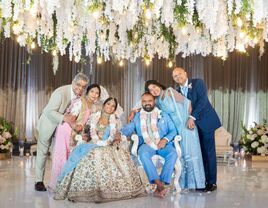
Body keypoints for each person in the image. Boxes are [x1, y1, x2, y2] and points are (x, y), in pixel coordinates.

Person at [54, 98, 146, 202]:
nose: (110, 107)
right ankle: (83, 189)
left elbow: (115, 135)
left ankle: (108, 190)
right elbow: (89, 133)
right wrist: (86, 137)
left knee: (104, 155)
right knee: (87, 154)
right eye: (108, 104)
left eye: (113, 106)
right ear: (103, 105)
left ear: (114, 109)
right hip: (93, 144)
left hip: (108, 146)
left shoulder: (115, 121)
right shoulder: (94, 117)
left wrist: (115, 138)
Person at [145, 80, 205, 191]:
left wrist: (191, 119)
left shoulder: (169, 92)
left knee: (191, 153)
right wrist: (134, 111)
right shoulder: (157, 101)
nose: (154, 90)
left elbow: (188, 103)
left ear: (158, 84)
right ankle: (185, 184)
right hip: (175, 130)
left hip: (185, 125)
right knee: (181, 155)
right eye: (151, 90)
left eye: (154, 87)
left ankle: (197, 183)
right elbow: (144, 103)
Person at [35, 73, 89, 191]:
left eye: (83, 87)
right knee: (43, 152)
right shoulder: (60, 92)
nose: (80, 89)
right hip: (48, 125)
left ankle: (61, 180)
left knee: (58, 154)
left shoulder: (80, 97)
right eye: (78, 85)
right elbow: (49, 111)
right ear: (73, 82)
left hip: (62, 129)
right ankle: (38, 181)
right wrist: (65, 118)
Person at [118, 92, 177, 198]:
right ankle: (160, 185)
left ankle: (161, 183)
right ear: (141, 103)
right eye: (144, 101)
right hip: (146, 144)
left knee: (172, 153)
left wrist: (165, 139)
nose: (147, 103)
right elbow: (129, 127)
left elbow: (173, 130)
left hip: (162, 144)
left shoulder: (163, 114)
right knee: (143, 153)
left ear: (154, 101)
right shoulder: (137, 116)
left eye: (149, 101)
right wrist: (120, 133)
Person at [172, 67, 221, 192]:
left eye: (180, 74)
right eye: (175, 76)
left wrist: (191, 117)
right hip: (191, 128)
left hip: (205, 122)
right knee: (198, 154)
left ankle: (211, 182)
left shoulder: (198, 83)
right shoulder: (177, 92)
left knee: (208, 152)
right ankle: (201, 181)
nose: (178, 77)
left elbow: (202, 101)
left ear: (185, 73)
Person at [48, 84, 102, 191]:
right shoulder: (80, 102)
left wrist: (85, 133)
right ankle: (57, 184)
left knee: (72, 157)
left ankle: (67, 185)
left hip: (76, 132)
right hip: (66, 128)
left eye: (97, 93)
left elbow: (89, 124)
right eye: (92, 92)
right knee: (62, 155)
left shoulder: (95, 107)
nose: (94, 94)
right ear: (87, 92)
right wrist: (76, 129)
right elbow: (71, 118)